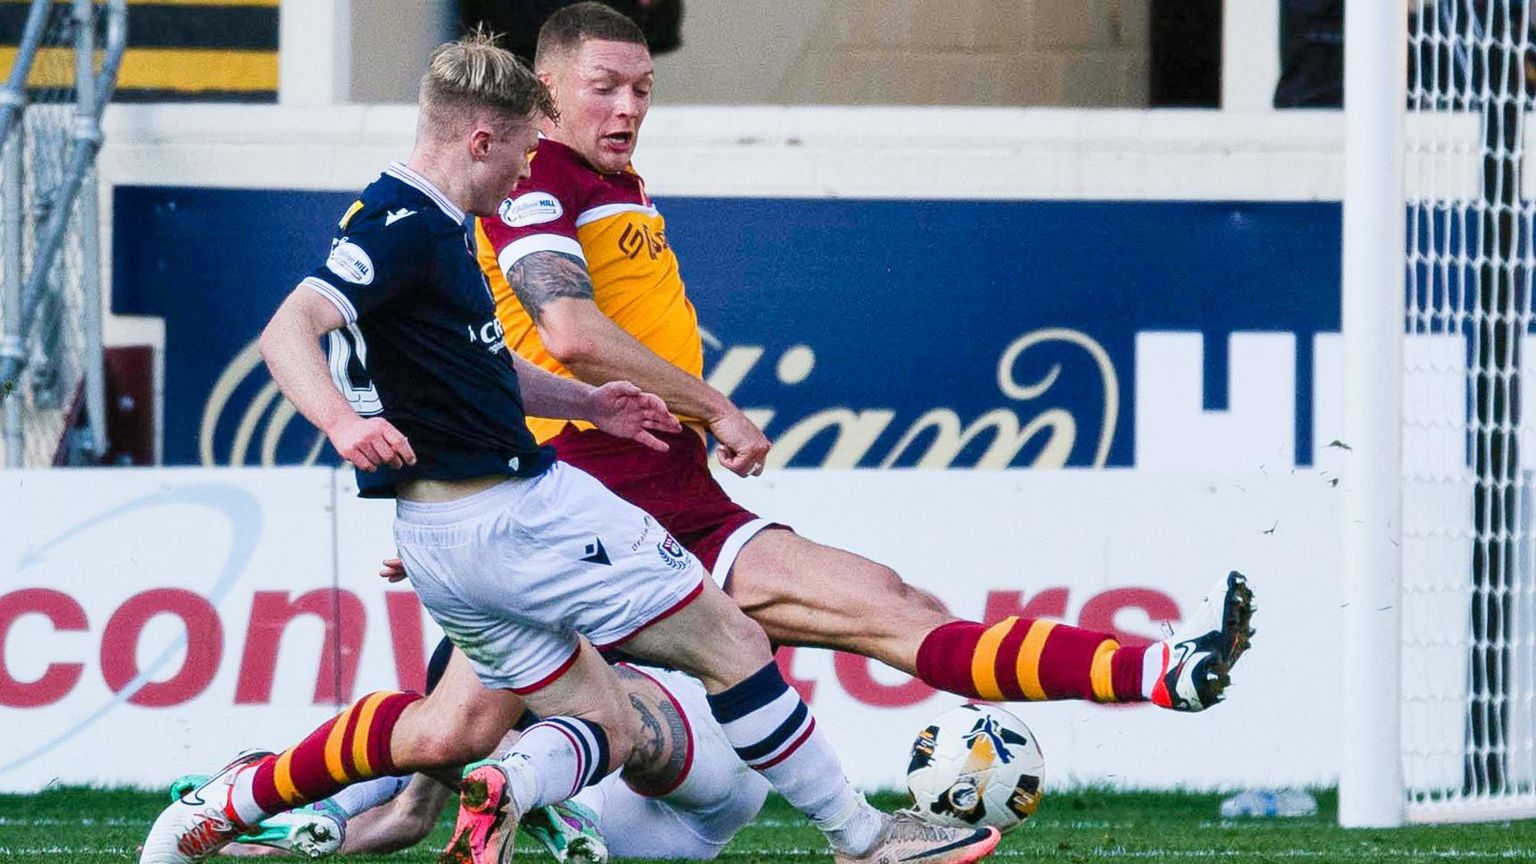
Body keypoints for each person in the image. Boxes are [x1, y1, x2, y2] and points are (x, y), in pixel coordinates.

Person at [136, 33, 1001, 864]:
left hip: (437, 542)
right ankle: (865, 839)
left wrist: (590, 402)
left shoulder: (418, 216)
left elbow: (480, 363)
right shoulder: (404, 224)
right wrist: (340, 423)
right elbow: (291, 326)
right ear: (482, 137)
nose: (526, 169)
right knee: (732, 642)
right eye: (519, 149)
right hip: (522, 510)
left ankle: (223, 808)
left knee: (489, 728)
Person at [476, 0, 1254, 714]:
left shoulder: (606, 179)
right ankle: (1149, 674)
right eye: (605, 87)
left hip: (665, 487)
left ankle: (1159, 670)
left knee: (894, 603)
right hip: (599, 492)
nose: (629, 108)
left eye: (643, 89)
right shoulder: (537, 173)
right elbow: (568, 331)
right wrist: (716, 408)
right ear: (544, 90)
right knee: (453, 739)